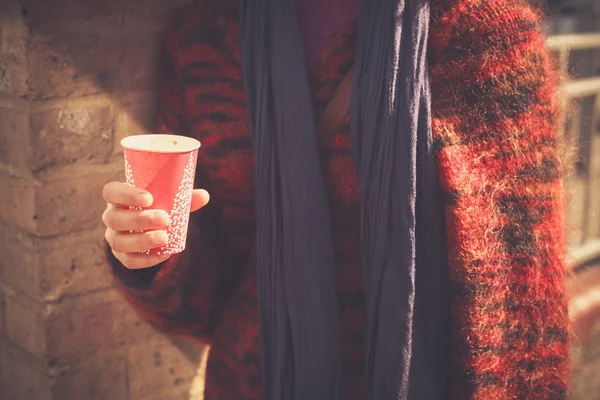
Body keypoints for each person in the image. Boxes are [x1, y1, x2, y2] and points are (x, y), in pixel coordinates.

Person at [101, 0, 570, 399]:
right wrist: (148, 254)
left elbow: (520, 317)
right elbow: (203, 302)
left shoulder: (482, 30)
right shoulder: (202, 40)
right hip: (253, 381)